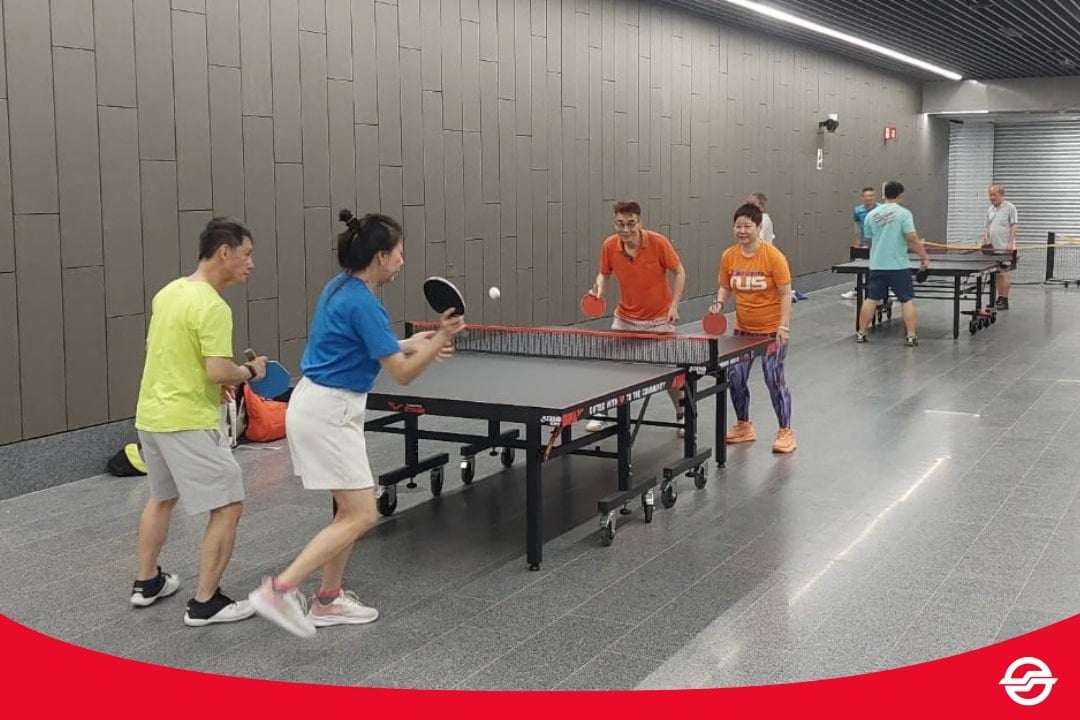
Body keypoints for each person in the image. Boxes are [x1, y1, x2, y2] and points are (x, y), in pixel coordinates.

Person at [248, 210, 465, 638]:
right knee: (361, 514)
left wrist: (408, 342)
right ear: (381, 256)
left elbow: (361, 346)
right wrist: (439, 337)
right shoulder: (364, 301)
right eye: (399, 254)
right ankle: (280, 589)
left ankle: (327, 600)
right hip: (329, 413)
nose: (403, 261)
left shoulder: (343, 287)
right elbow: (402, 374)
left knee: (347, 510)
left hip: (320, 403)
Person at [130, 217, 265, 627]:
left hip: (150, 416)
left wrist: (215, 381)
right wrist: (248, 372)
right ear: (224, 252)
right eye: (247, 254)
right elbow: (218, 370)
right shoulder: (212, 306)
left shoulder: (169, 292)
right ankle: (206, 603)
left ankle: (147, 582)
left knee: (161, 498)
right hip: (186, 422)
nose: (251, 264)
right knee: (228, 504)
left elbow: (169, 352)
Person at [585, 200, 687, 434]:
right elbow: (604, 273)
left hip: (659, 319)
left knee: (670, 372)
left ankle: (682, 414)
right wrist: (599, 288)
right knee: (612, 365)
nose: (626, 229)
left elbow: (679, 272)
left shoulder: (658, 243)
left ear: (640, 222)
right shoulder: (610, 246)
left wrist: (674, 306)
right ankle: (602, 411)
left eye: (631, 223)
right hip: (626, 318)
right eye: (620, 224)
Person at [713, 203, 796, 454]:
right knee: (735, 377)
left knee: (774, 378)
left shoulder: (773, 256)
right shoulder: (729, 256)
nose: (742, 230)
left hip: (771, 331)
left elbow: (785, 294)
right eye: (738, 226)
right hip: (743, 330)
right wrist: (718, 304)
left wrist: (784, 326)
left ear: (759, 227)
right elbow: (726, 286)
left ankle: (785, 431)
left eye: (747, 226)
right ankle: (743, 425)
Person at [855, 180, 931, 346]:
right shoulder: (904, 214)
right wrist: (924, 256)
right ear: (900, 196)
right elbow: (911, 238)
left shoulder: (871, 215)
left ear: (883, 195)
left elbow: (868, 237)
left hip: (877, 265)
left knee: (871, 299)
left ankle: (861, 333)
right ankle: (911, 336)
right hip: (898, 266)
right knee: (906, 299)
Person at [983, 184, 1018, 310]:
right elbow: (987, 227)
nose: (992, 197)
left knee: (1004, 273)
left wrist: (1010, 243)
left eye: (994, 195)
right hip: (994, 248)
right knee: (997, 273)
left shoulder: (1010, 208)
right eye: (990, 195)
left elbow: (1014, 226)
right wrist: (986, 237)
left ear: (1001, 195)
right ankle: (999, 298)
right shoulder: (990, 209)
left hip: (1006, 248)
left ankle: (1005, 299)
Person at [842, 186, 880, 299]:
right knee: (859, 266)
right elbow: (857, 225)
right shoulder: (858, 210)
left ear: (874, 197)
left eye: (871, 196)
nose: (869, 198)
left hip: (879, 243)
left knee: (880, 267)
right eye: (866, 196)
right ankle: (857, 290)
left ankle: (887, 289)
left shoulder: (881, 209)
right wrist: (857, 240)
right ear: (863, 197)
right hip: (864, 243)